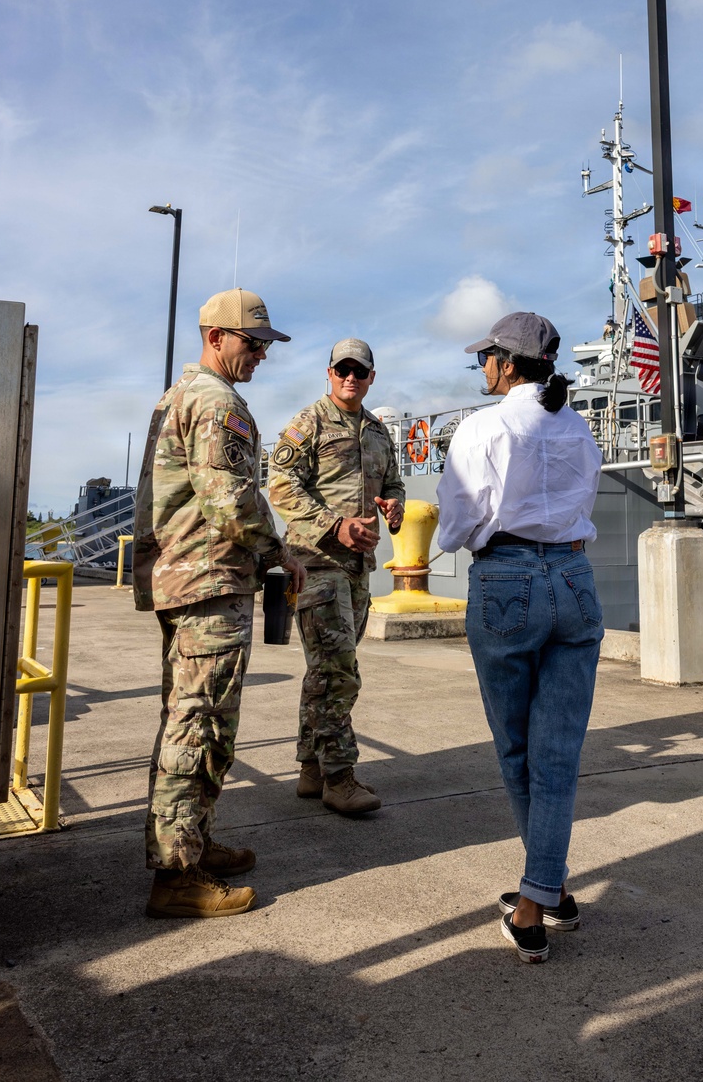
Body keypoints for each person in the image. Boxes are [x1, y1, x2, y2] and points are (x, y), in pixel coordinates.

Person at [133, 288, 306, 920]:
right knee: (199, 723)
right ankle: (178, 875)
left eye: (265, 345)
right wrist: (278, 553)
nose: (261, 354)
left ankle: (193, 842)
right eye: (252, 343)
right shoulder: (216, 402)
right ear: (216, 337)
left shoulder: (182, 394)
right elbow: (230, 501)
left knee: (190, 716)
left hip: (188, 580)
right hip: (208, 582)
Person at [436, 312, 603, 965]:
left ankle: (533, 907)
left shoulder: (482, 426)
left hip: (508, 579)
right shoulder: (578, 426)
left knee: (516, 748)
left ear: (507, 364)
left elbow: (457, 522)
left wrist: (462, 535)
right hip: (575, 578)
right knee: (557, 752)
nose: (482, 367)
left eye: (486, 358)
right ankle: (549, 885)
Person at [268, 338, 405, 815]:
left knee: (326, 670)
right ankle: (339, 776)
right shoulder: (309, 423)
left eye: (359, 371)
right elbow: (280, 485)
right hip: (316, 563)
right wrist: (335, 526)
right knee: (337, 670)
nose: (350, 377)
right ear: (329, 373)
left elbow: (393, 481)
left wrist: (394, 505)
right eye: (342, 369)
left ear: (371, 378)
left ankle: (311, 769)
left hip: (358, 568)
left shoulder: (378, 432)